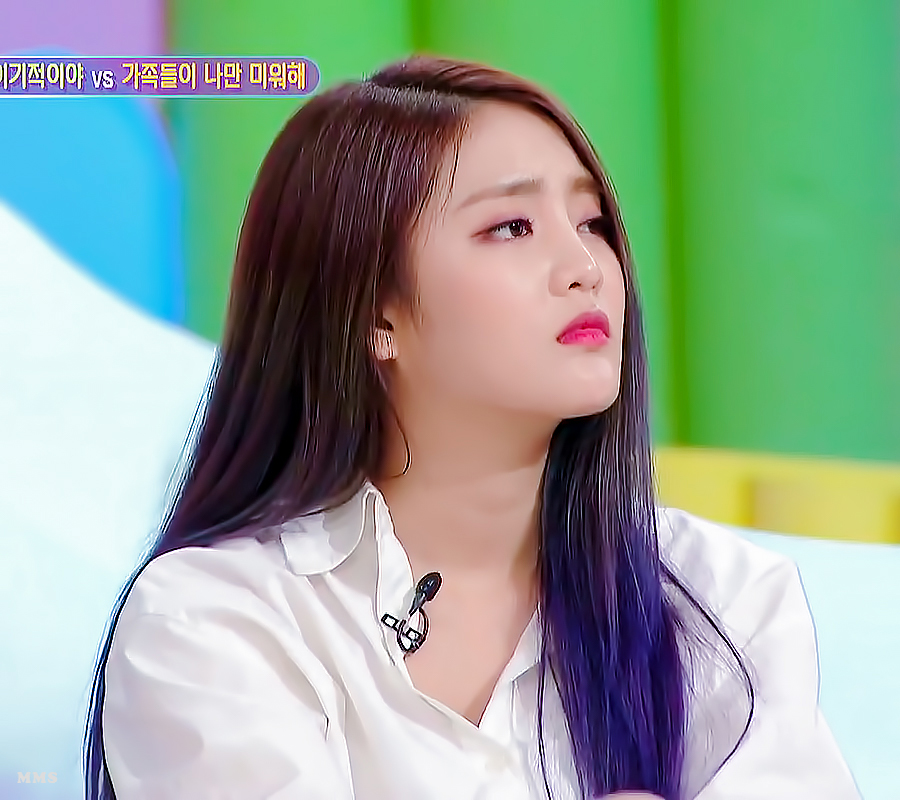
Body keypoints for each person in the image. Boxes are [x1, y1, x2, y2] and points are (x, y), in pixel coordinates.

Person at [83, 55, 860, 800]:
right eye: (512, 227)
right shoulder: (218, 618)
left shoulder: (721, 601)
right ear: (374, 314)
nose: (586, 267)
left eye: (591, 222)